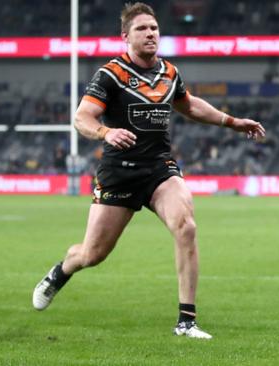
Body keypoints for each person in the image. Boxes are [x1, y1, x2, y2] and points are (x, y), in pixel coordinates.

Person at [32, 2, 266, 340]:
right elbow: (82, 118)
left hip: (159, 169)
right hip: (119, 172)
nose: (151, 33)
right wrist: (106, 132)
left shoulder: (168, 73)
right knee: (93, 254)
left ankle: (186, 321)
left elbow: (189, 105)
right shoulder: (111, 74)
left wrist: (231, 122)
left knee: (186, 226)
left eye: (154, 28)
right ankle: (61, 271)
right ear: (125, 36)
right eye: (142, 29)